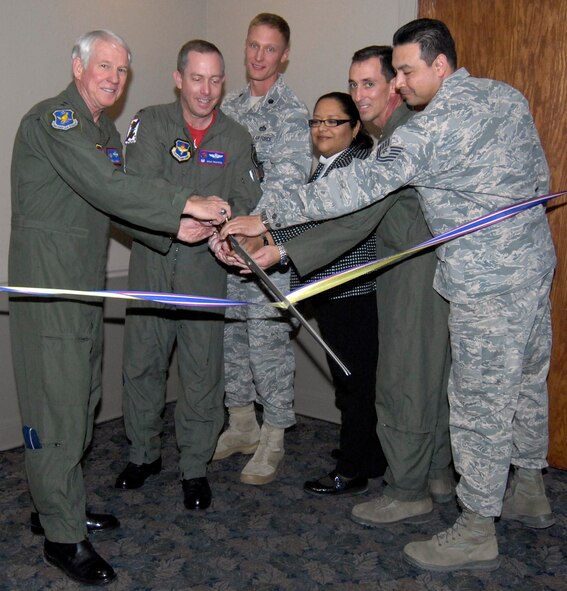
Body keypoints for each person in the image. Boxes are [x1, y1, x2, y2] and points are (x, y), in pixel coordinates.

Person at [220, 18, 556, 572]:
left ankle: (476, 527)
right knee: (524, 381)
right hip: (533, 264)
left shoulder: (429, 127)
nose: (399, 84)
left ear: (440, 66)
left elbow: (355, 187)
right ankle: (529, 487)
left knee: (479, 402)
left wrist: (267, 216)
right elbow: (538, 179)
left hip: (484, 281)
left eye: (405, 72)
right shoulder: (505, 97)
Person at [9, 30, 231, 586]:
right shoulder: (55, 121)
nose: (113, 78)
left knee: (81, 397)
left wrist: (173, 230)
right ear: (78, 66)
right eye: (103, 66)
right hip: (50, 288)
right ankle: (62, 538)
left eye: (122, 70)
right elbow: (105, 184)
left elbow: (112, 201)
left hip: (82, 287)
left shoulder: (101, 130)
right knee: (57, 406)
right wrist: (184, 200)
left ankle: (53, 504)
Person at [226, 47, 453, 513]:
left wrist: (274, 237)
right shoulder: (391, 135)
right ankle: (431, 476)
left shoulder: (399, 139)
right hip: (396, 276)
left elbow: (352, 219)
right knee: (406, 381)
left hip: (408, 277)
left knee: (401, 384)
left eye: (369, 84)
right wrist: (274, 239)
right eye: (353, 84)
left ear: (394, 84)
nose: (359, 94)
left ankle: (407, 488)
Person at [114, 40, 261, 512]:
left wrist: (224, 225)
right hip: (152, 262)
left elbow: (247, 199)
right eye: (197, 78)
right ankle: (143, 454)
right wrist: (179, 216)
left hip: (205, 269)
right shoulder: (150, 122)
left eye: (216, 79)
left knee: (202, 371)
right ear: (178, 78)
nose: (206, 90)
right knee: (142, 365)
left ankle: (195, 466)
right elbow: (131, 190)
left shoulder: (236, 138)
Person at [271, 91, 387, 494]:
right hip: (332, 291)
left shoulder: (353, 168)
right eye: (316, 121)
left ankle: (354, 468)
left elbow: (320, 225)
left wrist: (270, 242)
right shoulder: (326, 167)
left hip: (352, 291)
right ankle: (364, 454)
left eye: (333, 121)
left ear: (355, 128)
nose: (321, 128)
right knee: (349, 382)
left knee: (355, 384)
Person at [212, 13, 311, 485]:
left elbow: (289, 183)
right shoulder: (227, 106)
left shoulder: (290, 111)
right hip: (226, 244)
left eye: (269, 49)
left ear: (284, 55)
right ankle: (241, 424)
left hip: (267, 247)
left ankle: (274, 435)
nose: (258, 56)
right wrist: (217, 227)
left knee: (267, 344)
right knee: (231, 339)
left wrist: (258, 233)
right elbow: (215, 174)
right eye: (253, 45)